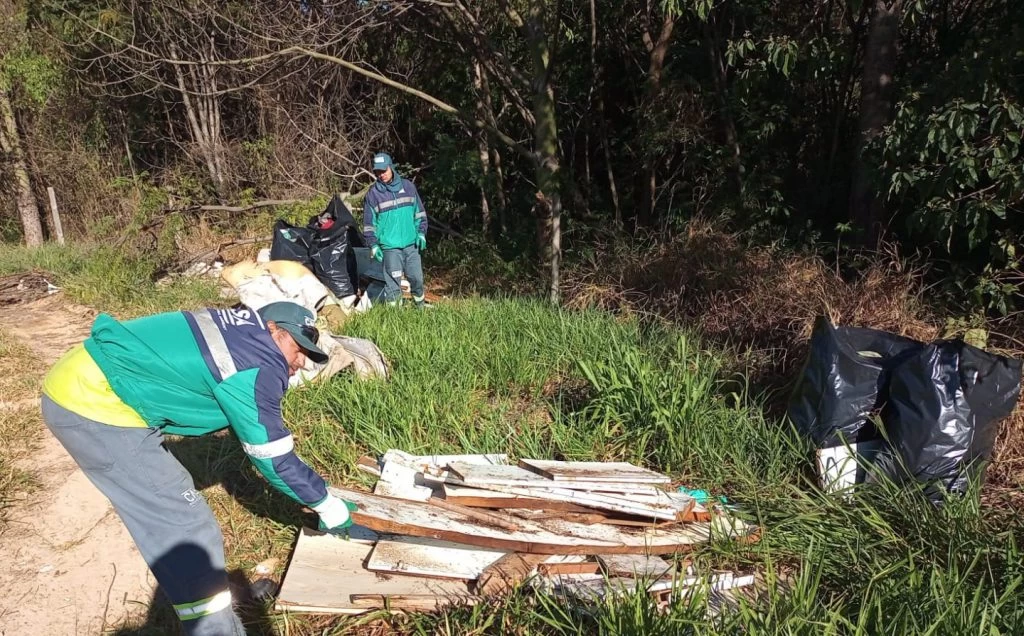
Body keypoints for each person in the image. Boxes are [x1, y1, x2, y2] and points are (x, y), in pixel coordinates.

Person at [40, 301, 358, 635]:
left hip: (87, 376)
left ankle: (218, 600)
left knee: (179, 506)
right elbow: (272, 457)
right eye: (298, 349)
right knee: (185, 524)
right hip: (94, 403)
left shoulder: (240, 331)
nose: (300, 362)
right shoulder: (259, 361)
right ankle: (216, 628)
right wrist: (325, 503)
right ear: (273, 329)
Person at [362, 152, 429, 307]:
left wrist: (421, 233)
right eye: (378, 172)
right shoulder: (373, 194)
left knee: (416, 279)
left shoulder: (408, 187)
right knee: (393, 285)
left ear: (391, 167)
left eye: (384, 170)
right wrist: (373, 244)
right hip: (390, 247)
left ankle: (420, 307)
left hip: (411, 244)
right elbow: (368, 224)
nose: (381, 175)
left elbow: (419, 213)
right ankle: (395, 317)